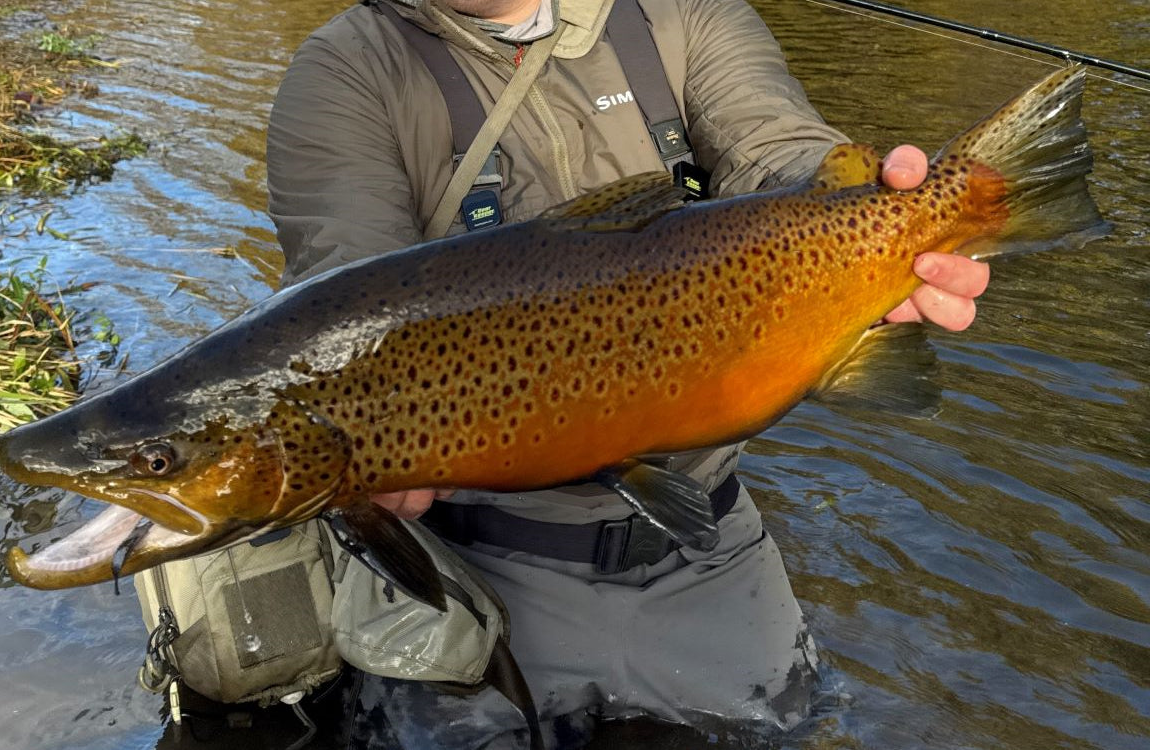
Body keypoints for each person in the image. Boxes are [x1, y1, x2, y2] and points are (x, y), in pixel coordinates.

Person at [265, 1, 990, 747]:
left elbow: (776, 147)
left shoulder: (683, 13)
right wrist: (358, 443)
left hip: (710, 547)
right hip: (474, 570)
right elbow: (347, 303)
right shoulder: (348, 68)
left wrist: (881, 225)